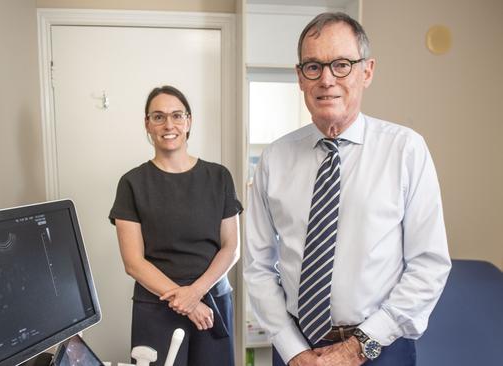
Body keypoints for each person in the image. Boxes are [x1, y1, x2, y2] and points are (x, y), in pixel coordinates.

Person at [244, 12, 451, 366]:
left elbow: (428, 265)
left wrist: (359, 346)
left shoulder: (405, 150)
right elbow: (257, 266)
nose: (326, 79)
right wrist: (293, 351)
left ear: (367, 71)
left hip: (380, 348)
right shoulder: (274, 160)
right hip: (296, 349)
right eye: (313, 67)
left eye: (341, 64)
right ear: (300, 77)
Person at [109, 85, 242, 366]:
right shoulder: (132, 183)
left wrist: (194, 294)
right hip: (156, 308)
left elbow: (232, 247)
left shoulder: (219, 177)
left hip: (212, 305)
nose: (168, 124)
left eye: (177, 115)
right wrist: (186, 302)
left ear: (189, 121)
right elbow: (133, 262)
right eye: (158, 117)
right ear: (147, 124)